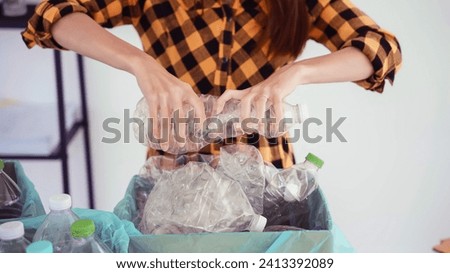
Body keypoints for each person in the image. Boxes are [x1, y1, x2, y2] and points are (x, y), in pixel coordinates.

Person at [22, 0, 402, 168]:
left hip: (268, 173)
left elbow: (382, 48)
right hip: (172, 171)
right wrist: (140, 63)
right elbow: (55, 14)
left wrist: (294, 73)